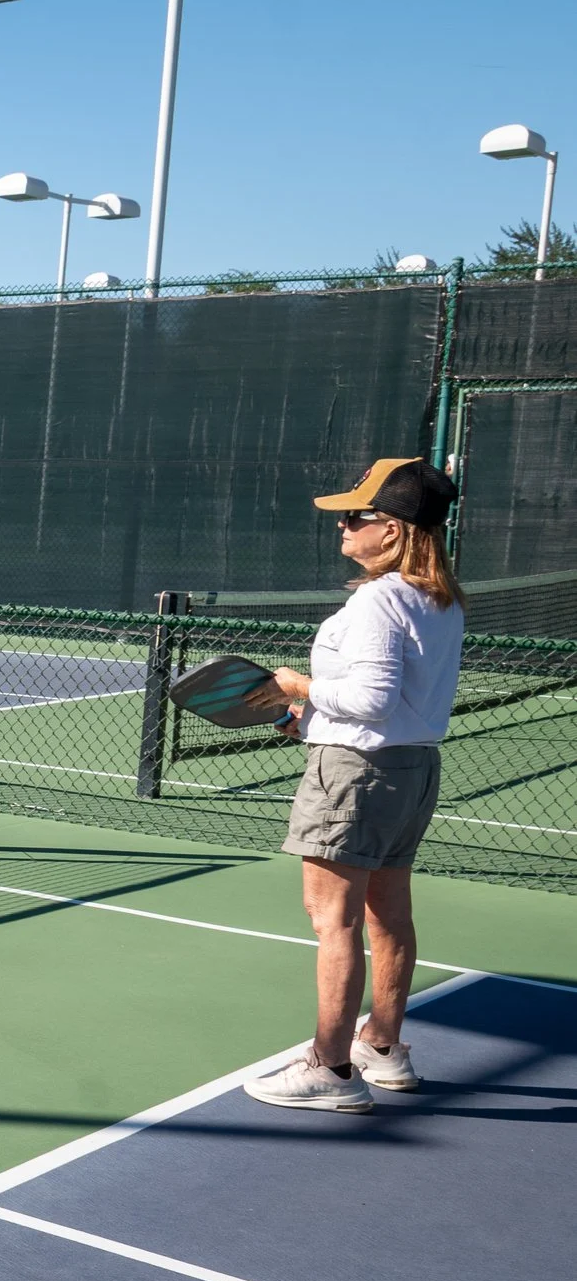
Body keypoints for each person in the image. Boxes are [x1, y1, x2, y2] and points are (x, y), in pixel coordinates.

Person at [245, 457, 465, 1114]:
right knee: (388, 913)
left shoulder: (377, 599)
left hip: (357, 773)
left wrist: (296, 685)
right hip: (410, 769)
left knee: (332, 919)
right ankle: (384, 1047)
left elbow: (368, 699)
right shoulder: (440, 598)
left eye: (358, 516)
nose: (343, 525)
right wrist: (302, 721)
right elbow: (394, 703)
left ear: (395, 531)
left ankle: (331, 1066)